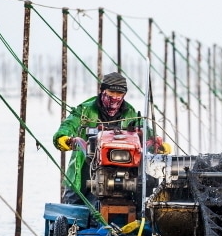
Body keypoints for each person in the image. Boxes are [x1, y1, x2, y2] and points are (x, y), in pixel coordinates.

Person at [53, 71, 171, 205]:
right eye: (111, 92)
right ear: (103, 90)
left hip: (121, 171)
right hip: (85, 167)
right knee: (72, 205)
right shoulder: (85, 110)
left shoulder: (130, 113)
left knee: (138, 199)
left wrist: (156, 143)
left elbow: (145, 130)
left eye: (119, 93)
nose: (115, 97)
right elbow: (69, 124)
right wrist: (62, 137)